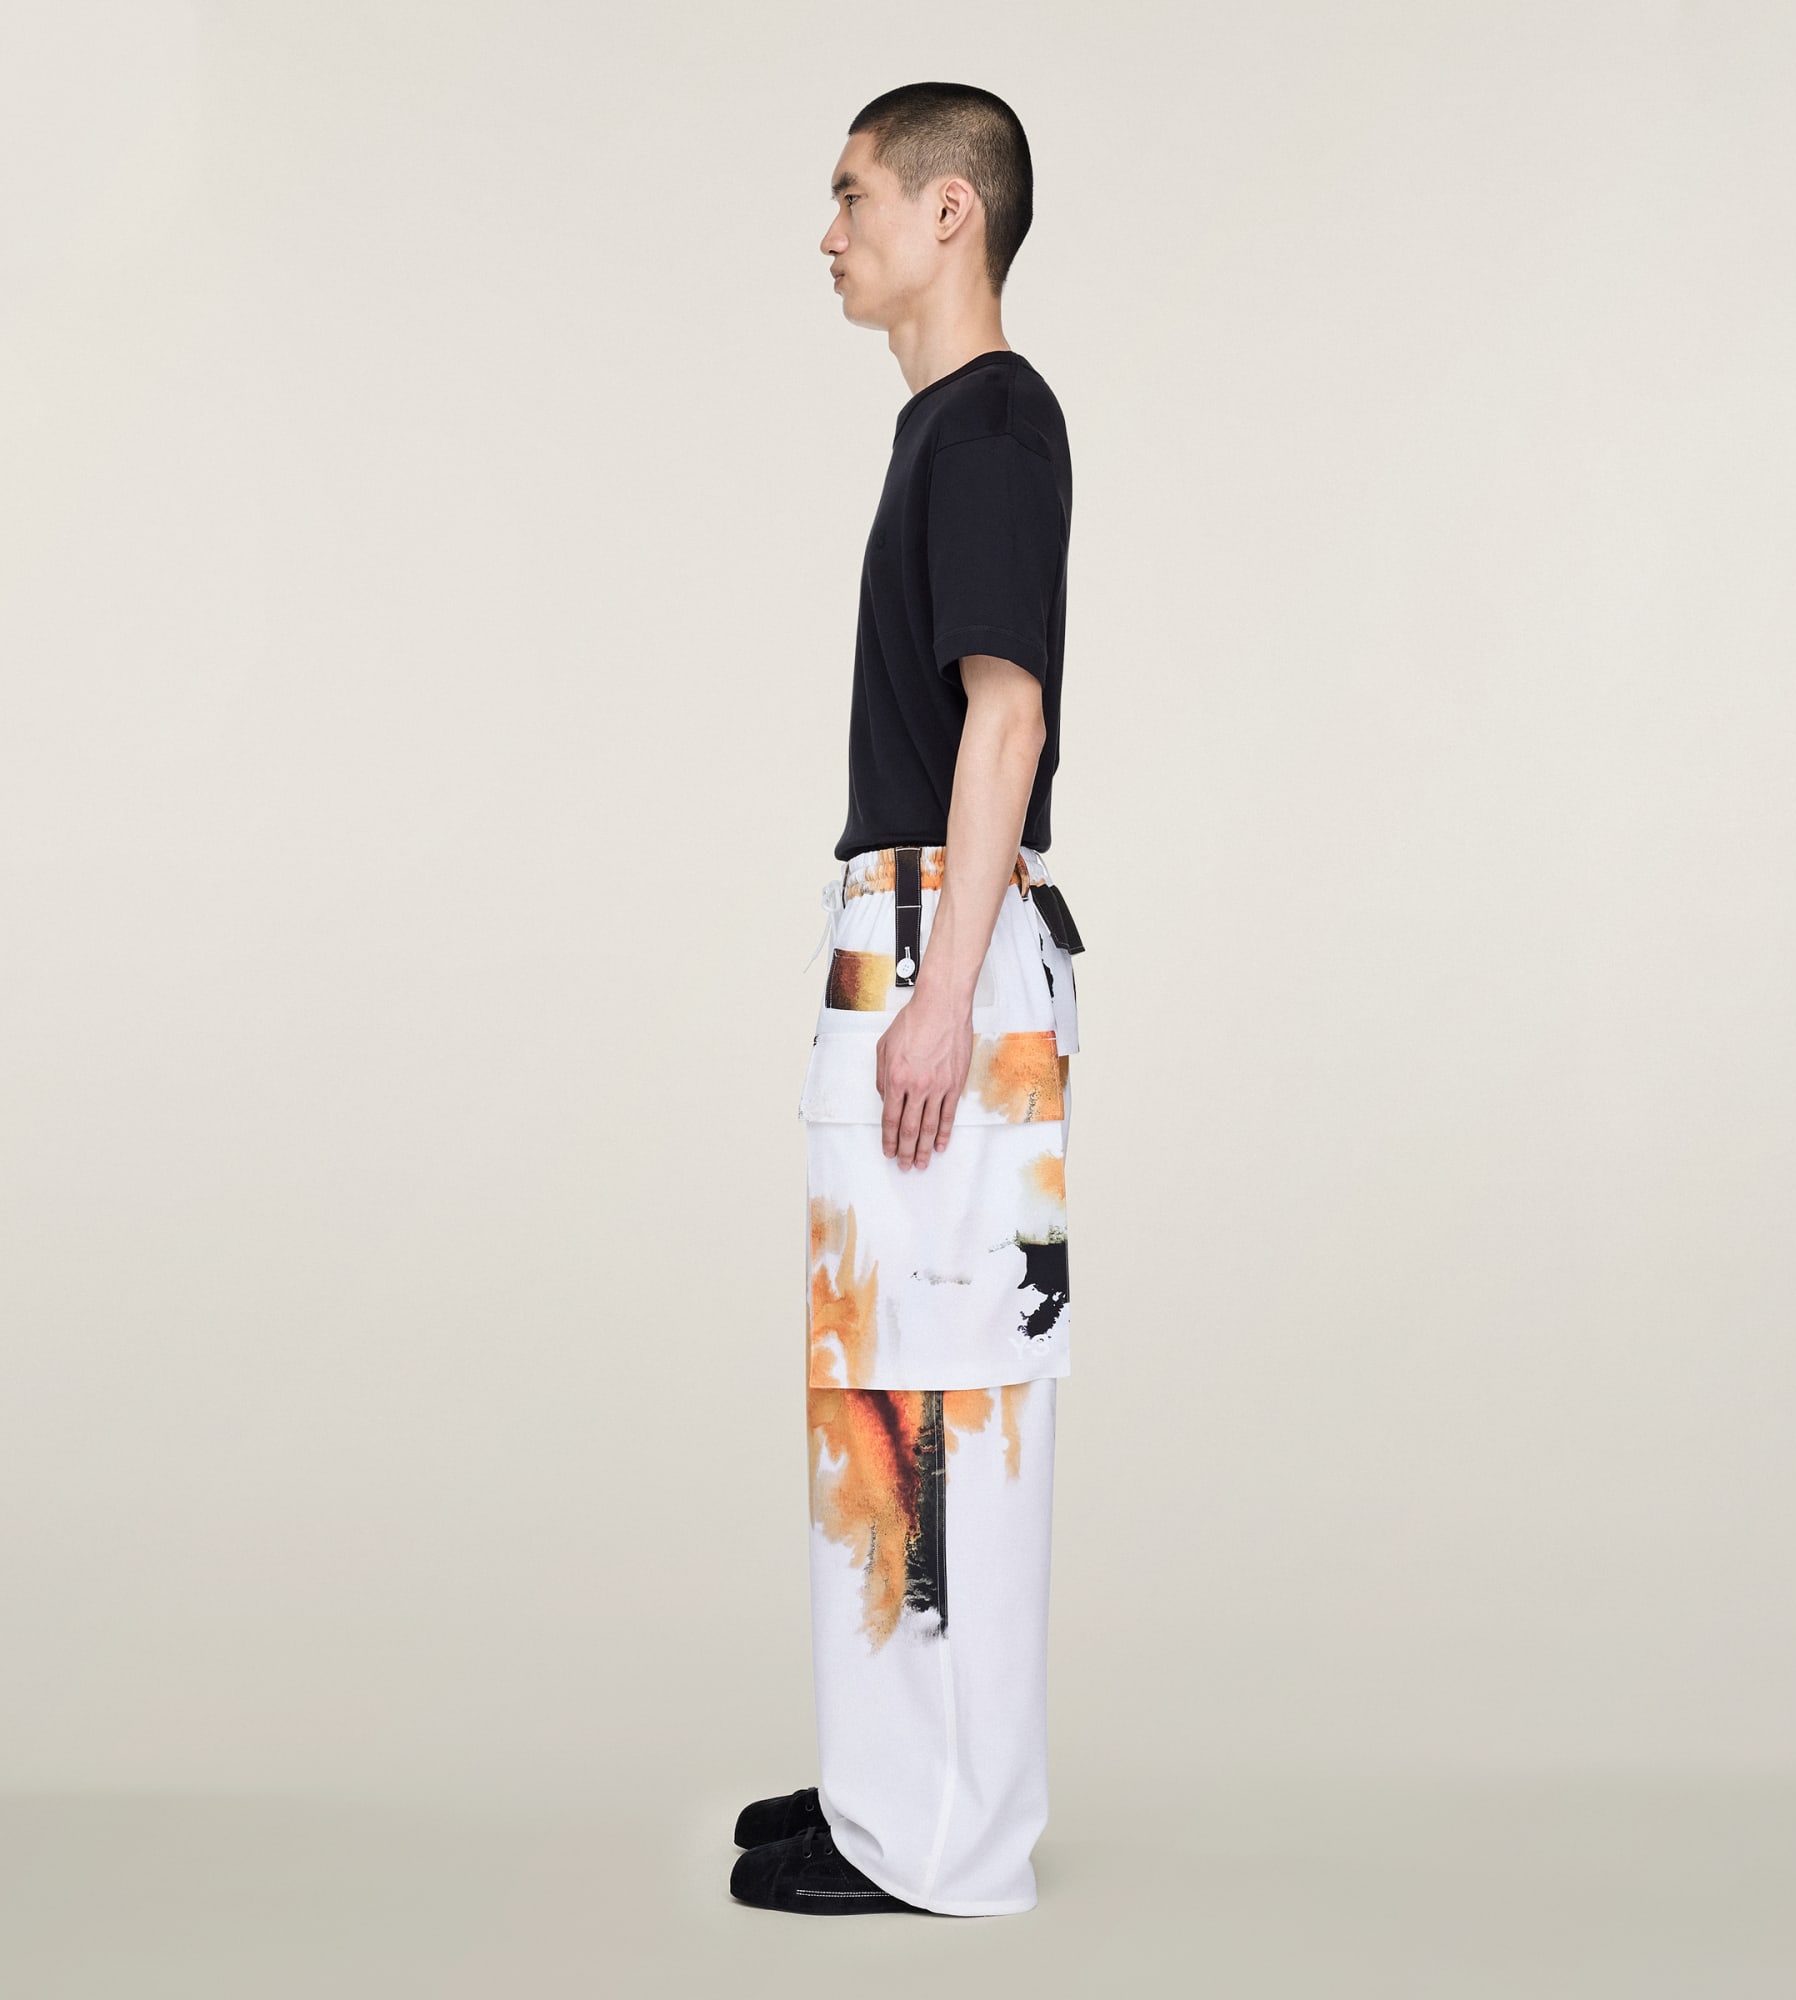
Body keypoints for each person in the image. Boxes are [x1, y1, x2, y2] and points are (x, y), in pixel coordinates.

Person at [728, 81, 1082, 1919]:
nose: (831, 229)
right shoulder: (942, 427)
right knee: (886, 1385)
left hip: (949, 936)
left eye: (856, 192)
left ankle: (951, 1839)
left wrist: (941, 998)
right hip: (915, 927)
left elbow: (1005, 715)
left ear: (953, 212)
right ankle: (893, 1791)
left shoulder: (994, 425)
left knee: (956, 1395)